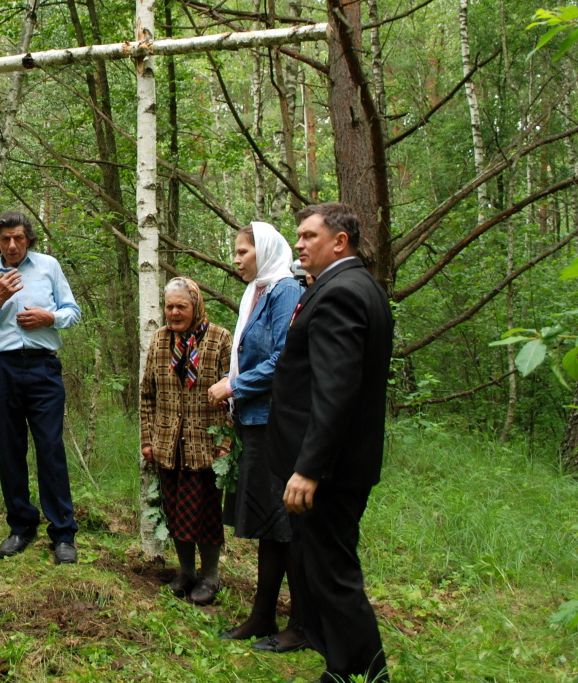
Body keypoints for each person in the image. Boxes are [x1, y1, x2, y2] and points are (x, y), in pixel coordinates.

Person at [269, 202, 393, 683]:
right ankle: (341, 667)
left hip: (329, 469)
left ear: (339, 241)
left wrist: (309, 468)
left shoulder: (342, 293)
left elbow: (336, 390)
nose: (298, 244)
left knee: (333, 571)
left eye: (307, 236)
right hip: (335, 464)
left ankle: (368, 673)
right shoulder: (354, 286)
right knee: (319, 566)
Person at [207, 222, 309, 652]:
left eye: (243, 251)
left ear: (264, 251)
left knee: (285, 525)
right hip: (254, 421)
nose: (236, 259)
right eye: (235, 251)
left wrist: (234, 386)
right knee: (271, 524)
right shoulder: (260, 292)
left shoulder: (286, 291)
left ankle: (299, 624)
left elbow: (283, 358)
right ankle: (263, 615)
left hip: (277, 422)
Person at [0, 210, 82, 564]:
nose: (12, 245)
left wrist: (51, 318)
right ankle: (20, 527)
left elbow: (72, 311)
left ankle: (62, 534)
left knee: (50, 449)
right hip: (1, 368)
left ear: (28, 237)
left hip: (44, 366)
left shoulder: (48, 267)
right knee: (10, 450)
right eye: (4, 239)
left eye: (18, 238)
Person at [140, 277, 233, 605]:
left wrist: (226, 444)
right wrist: (147, 440)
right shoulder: (160, 340)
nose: (175, 312)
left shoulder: (220, 339)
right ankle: (186, 572)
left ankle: (209, 576)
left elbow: (233, 394)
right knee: (175, 511)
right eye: (169, 306)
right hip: (167, 443)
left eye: (182, 306)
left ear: (196, 306)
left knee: (206, 513)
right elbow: (147, 393)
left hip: (205, 445)